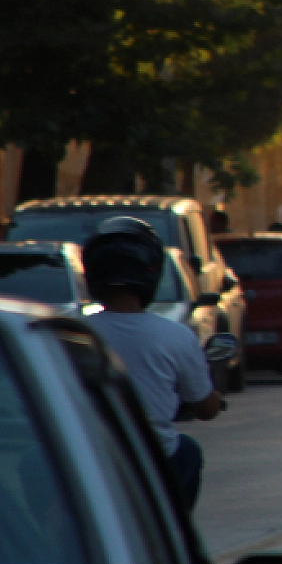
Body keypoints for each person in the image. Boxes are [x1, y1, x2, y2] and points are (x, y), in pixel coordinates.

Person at [84, 217, 224, 509]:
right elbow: (206, 408)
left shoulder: (68, 331)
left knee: (32, 461)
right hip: (154, 456)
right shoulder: (176, 335)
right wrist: (215, 398)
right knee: (188, 451)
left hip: (83, 452)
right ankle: (174, 531)